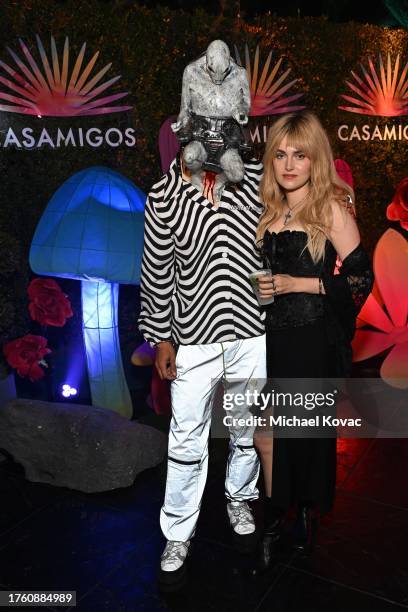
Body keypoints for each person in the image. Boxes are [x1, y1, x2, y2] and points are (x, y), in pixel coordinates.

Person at [138, 152, 267, 589]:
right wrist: (161, 337)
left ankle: (240, 499)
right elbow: (156, 271)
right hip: (193, 335)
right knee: (186, 438)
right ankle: (177, 535)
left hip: (252, 330)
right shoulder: (165, 193)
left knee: (245, 428)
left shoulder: (256, 182)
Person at [253, 110, 373, 569]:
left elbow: (361, 278)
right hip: (271, 338)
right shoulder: (268, 207)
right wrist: (264, 287)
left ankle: (290, 515)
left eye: (299, 155)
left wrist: (297, 284)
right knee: (268, 435)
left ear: (314, 159)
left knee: (294, 434)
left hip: (312, 338)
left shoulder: (330, 208)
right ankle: (284, 511)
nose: (288, 165)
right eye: (280, 154)